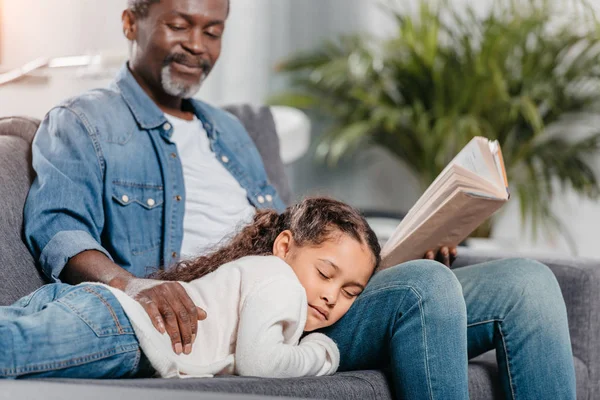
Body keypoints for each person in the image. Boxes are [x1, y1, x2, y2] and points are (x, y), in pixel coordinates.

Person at [22, 0, 576, 398]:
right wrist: (135, 287)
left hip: (307, 304)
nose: (197, 43)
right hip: (227, 318)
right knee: (426, 291)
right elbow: (59, 228)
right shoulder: (85, 121)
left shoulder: (232, 132)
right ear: (130, 21)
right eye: (179, 24)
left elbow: (298, 242)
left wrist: (398, 258)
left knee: (527, 283)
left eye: (213, 30)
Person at [2, 197, 379, 379]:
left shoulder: (258, 275)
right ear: (284, 247)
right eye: (325, 274)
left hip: (96, 307)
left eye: (350, 292)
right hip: (123, 330)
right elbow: (260, 363)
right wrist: (325, 352)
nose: (331, 296)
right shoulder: (281, 282)